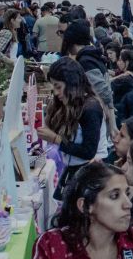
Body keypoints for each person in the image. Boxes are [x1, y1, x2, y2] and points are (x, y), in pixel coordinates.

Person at [39, 58, 106, 191]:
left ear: (71, 83)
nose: (56, 92)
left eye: (58, 86)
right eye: (54, 87)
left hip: (89, 175)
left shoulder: (90, 108)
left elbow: (88, 151)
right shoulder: (72, 104)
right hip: (74, 171)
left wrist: (55, 139)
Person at [62, 20, 117, 145]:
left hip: (99, 117)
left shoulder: (86, 61)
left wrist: (112, 124)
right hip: (102, 115)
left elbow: (103, 92)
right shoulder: (93, 55)